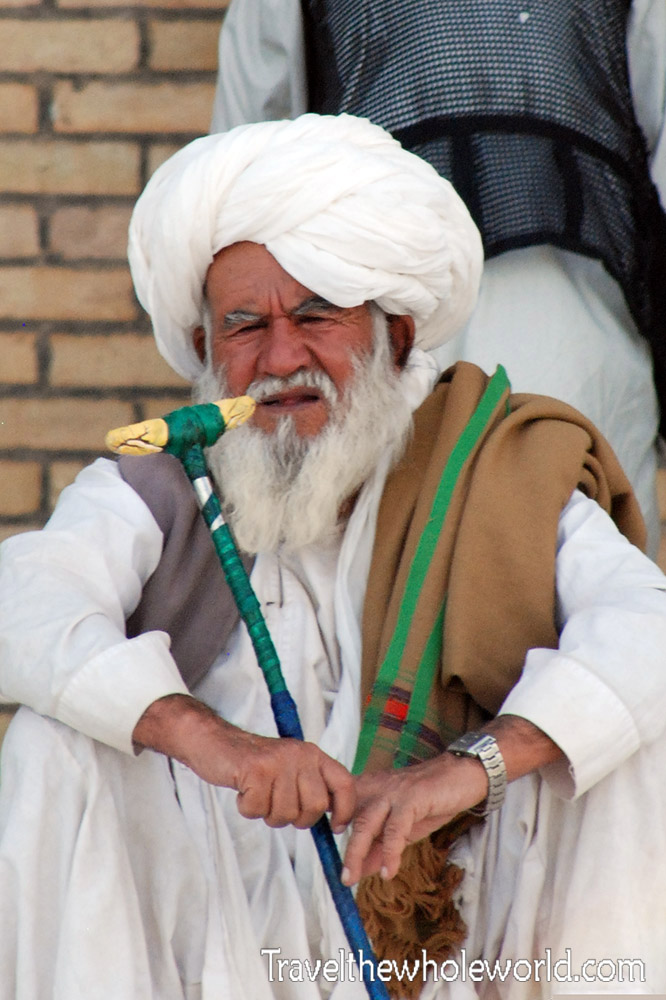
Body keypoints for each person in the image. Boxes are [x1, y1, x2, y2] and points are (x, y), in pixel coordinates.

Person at [1, 114, 666, 1000]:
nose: (281, 358)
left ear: (395, 335)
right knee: (57, 742)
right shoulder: (168, 479)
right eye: (244, 326)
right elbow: (25, 603)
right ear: (205, 351)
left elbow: (647, 630)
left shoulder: (498, 467)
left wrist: (466, 770)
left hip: (462, 920)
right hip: (222, 923)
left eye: (316, 314)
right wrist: (218, 744)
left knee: (625, 744)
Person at [210, 0, 666, 558]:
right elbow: (244, 181)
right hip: (375, 354)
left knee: (583, 572)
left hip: (577, 336)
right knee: (382, 593)